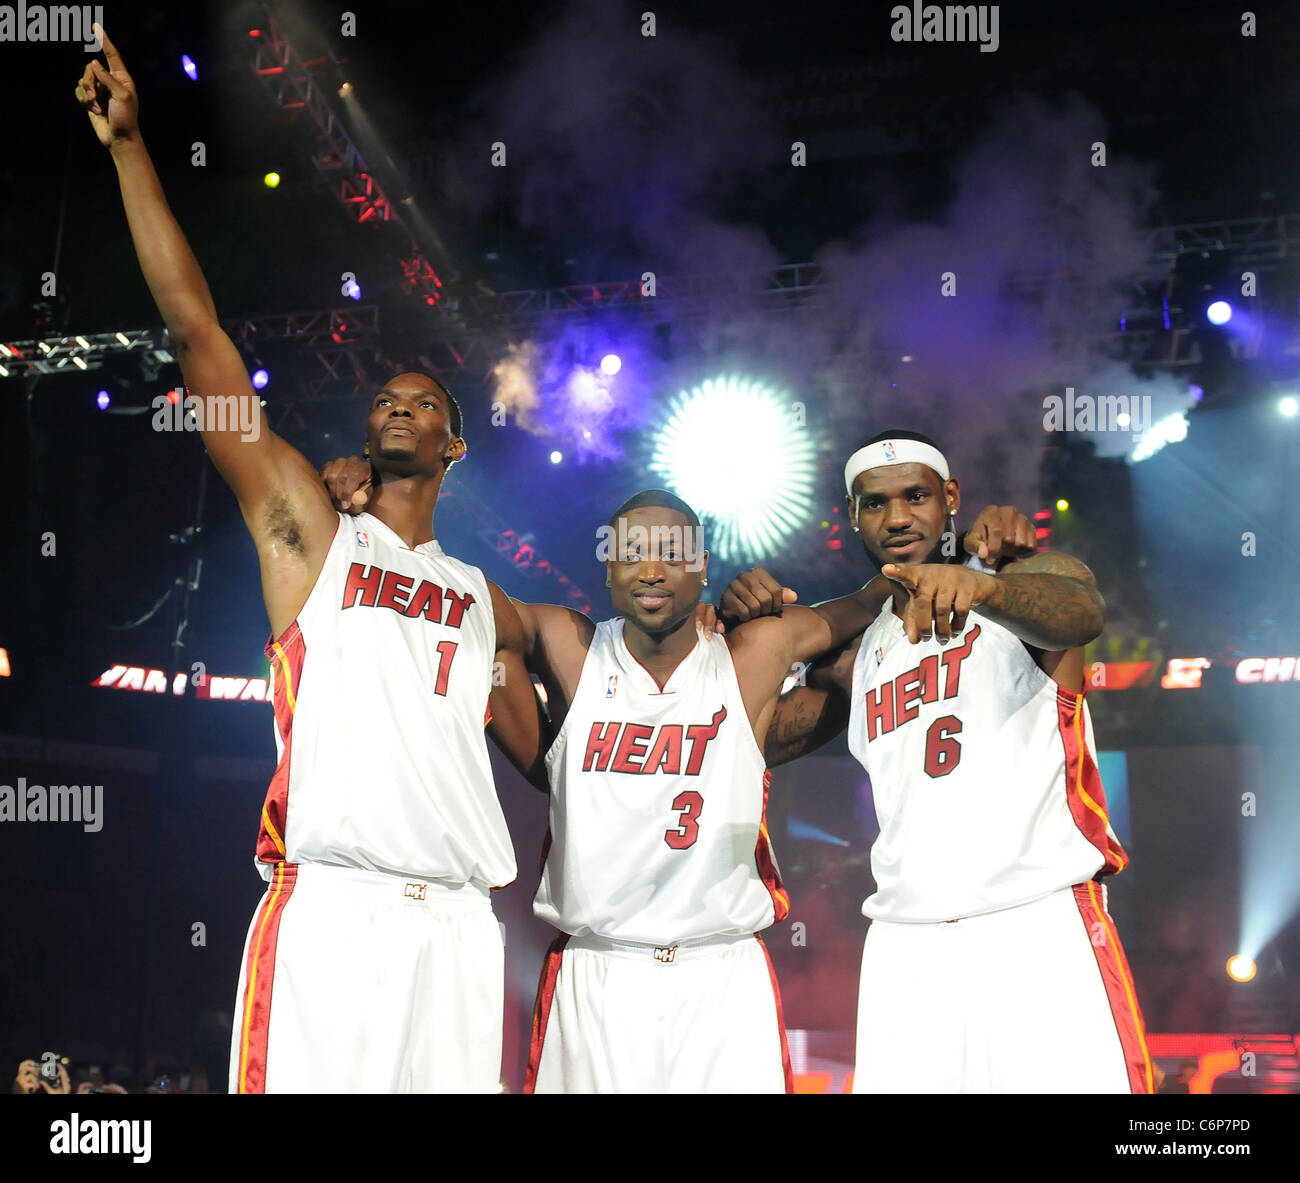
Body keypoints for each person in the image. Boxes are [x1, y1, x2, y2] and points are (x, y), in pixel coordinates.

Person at [78, 25, 546, 1093]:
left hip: (464, 930)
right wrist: (130, 149)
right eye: (384, 394)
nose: (396, 402)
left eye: (423, 402)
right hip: (337, 907)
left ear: (453, 444)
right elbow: (198, 337)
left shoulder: (485, 603)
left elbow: (565, 748)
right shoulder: (312, 532)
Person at [323, 459, 1033, 1091]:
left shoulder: (754, 651)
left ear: (702, 564)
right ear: (608, 569)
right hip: (595, 974)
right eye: (633, 552)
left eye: (671, 552)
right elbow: (443, 594)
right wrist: (372, 506)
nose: (652, 568)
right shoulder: (565, 643)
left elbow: (869, 602)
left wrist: (971, 547)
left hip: (722, 975)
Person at [723, 430, 1153, 1093]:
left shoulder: (1024, 583)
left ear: (949, 497)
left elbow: (1082, 609)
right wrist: (746, 631)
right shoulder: (858, 649)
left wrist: (984, 589)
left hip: (1033, 922)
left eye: (916, 496)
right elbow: (753, 739)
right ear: (852, 515)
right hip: (904, 937)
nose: (896, 518)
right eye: (875, 503)